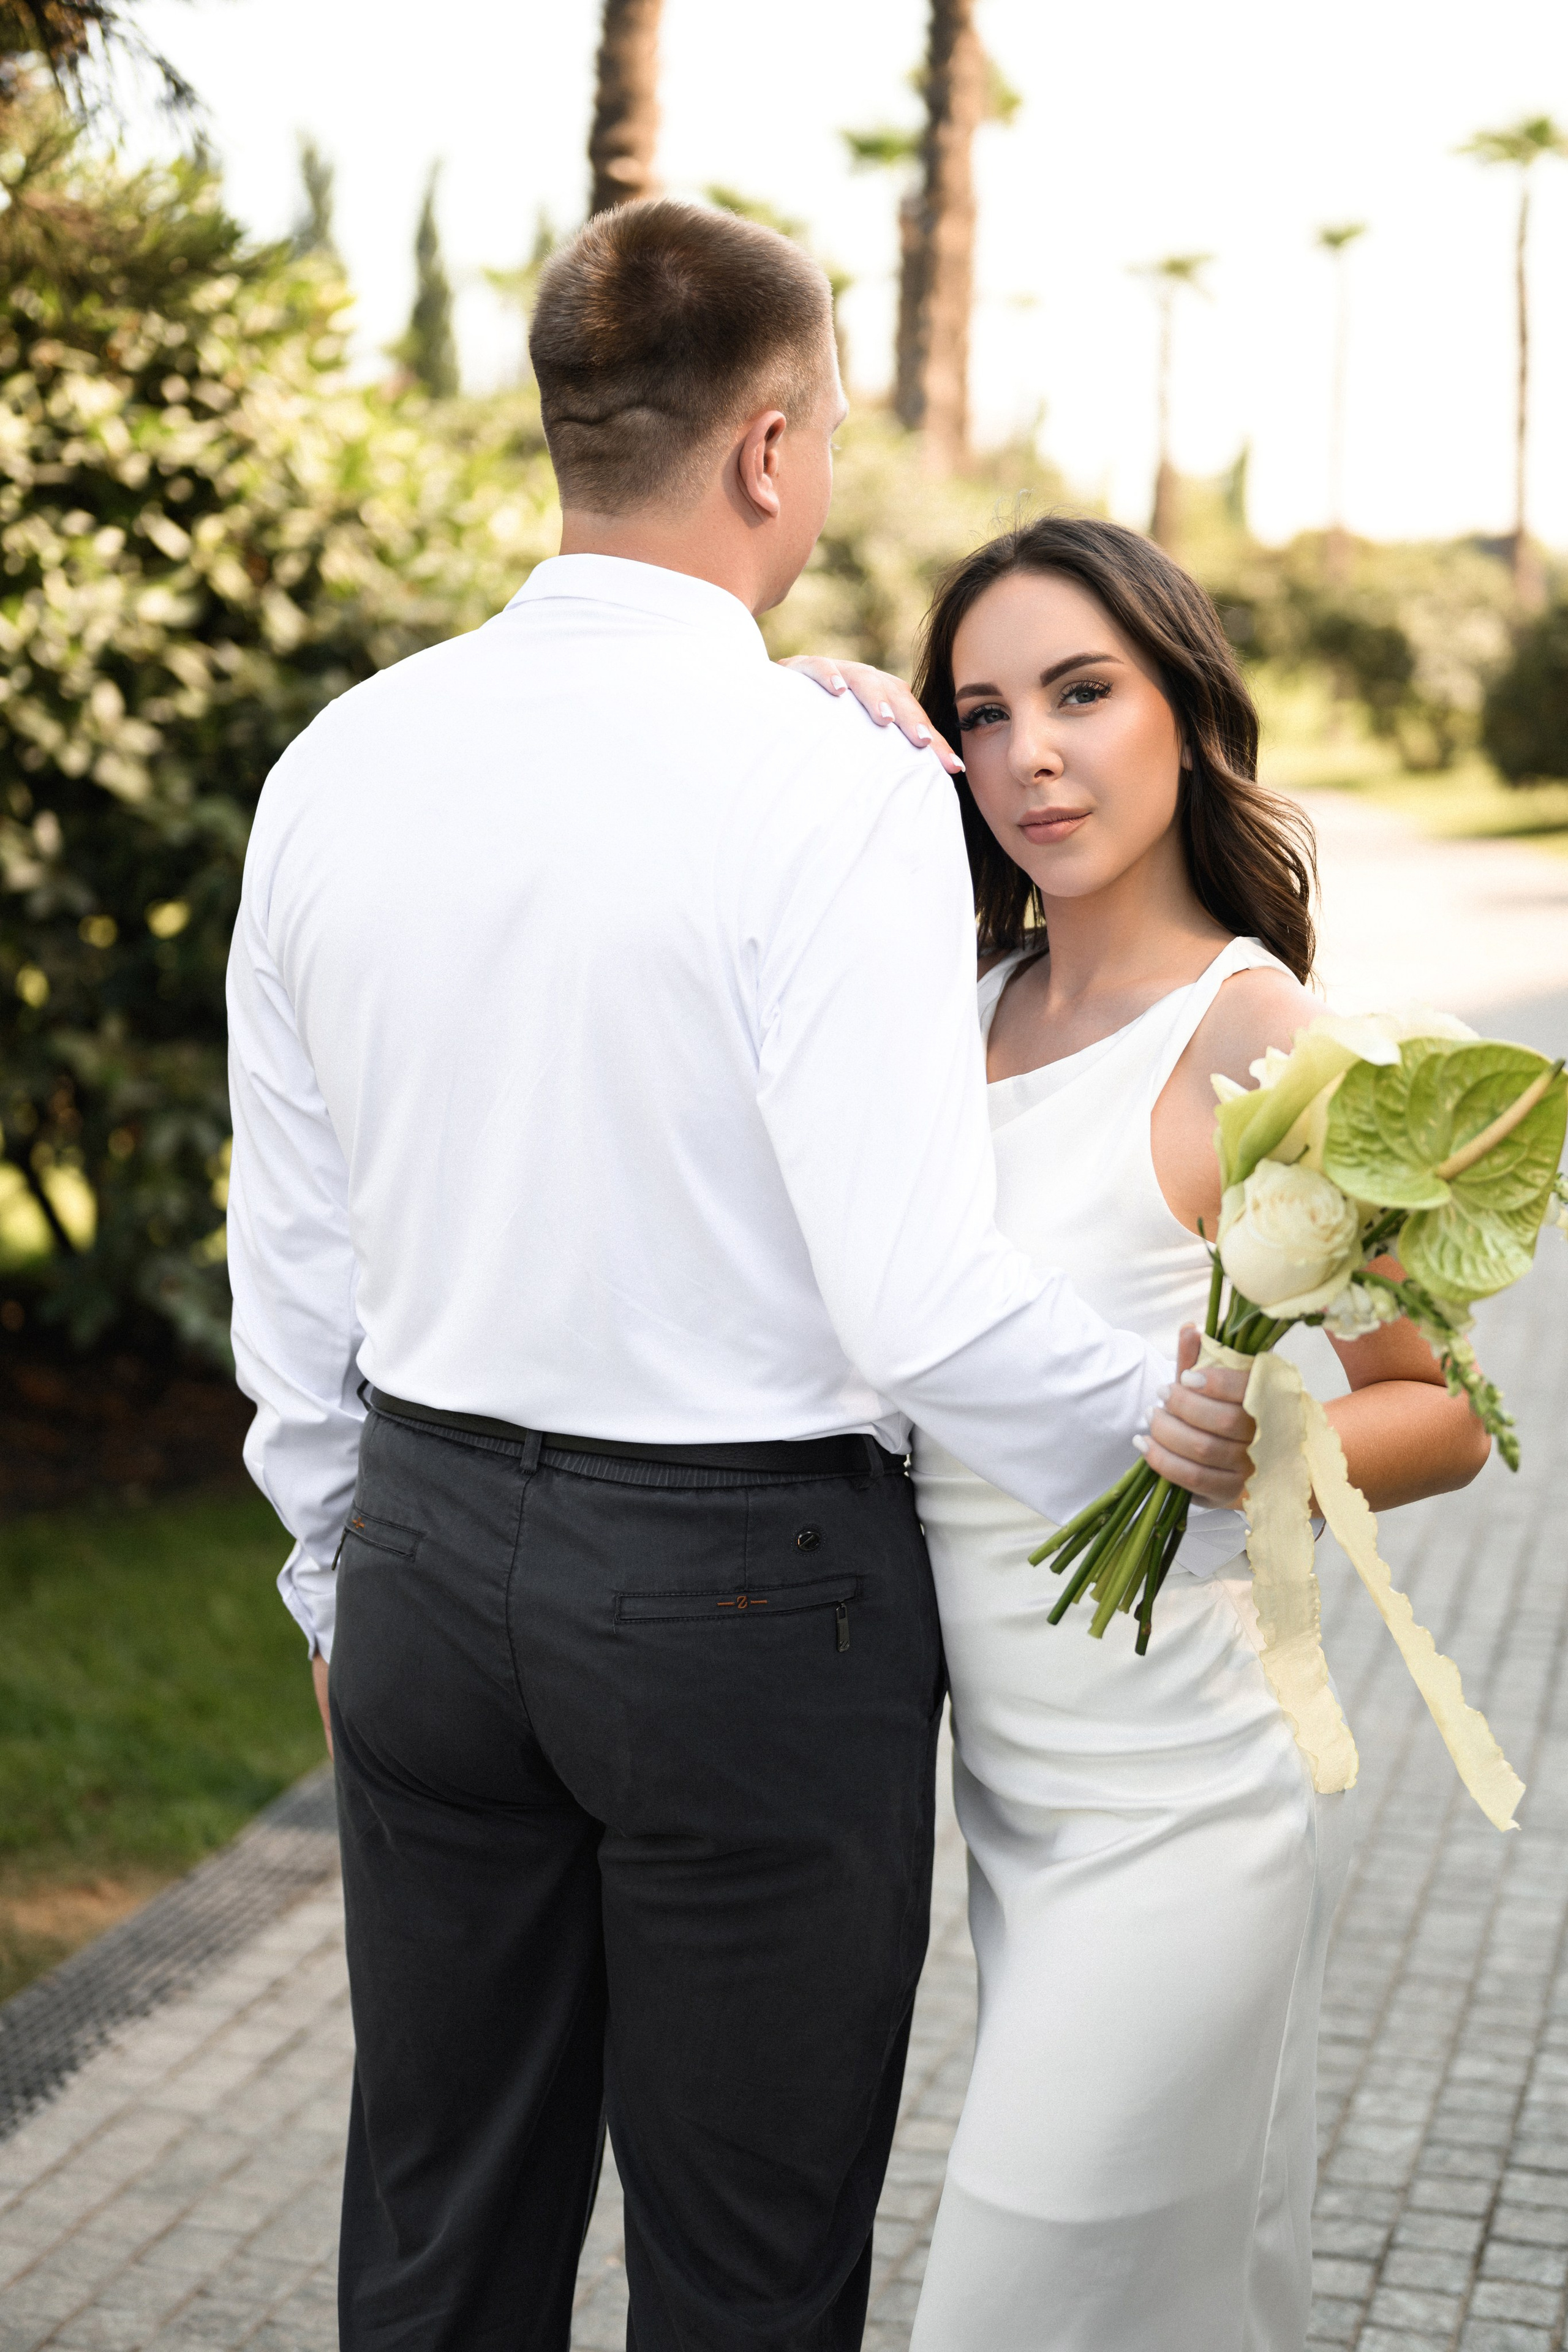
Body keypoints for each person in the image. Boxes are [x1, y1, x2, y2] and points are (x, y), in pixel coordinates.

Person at [224, 208, 1253, 2352]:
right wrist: (1170, 1429)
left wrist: (338, 1569)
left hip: (416, 1550)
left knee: (434, 2234)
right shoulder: (835, 789)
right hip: (747, 1600)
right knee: (744, 2273)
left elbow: (293, 1241)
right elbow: (917, 1298)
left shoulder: (335, 764)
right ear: (772, 448)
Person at [793, 515, 1491, 2351]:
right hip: (1008, 1814)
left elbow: (1443, 1414)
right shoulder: (950, 1021)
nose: (1032, 751)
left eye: (1083, 693)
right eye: (982, 708)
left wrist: (1270, 1440)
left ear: (1184, 707)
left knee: (1016, 2297)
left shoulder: (1266, 1039)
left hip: (1187, 1812)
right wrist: (796, 722)